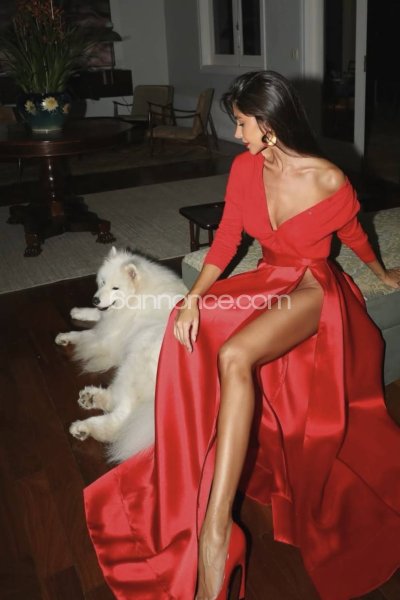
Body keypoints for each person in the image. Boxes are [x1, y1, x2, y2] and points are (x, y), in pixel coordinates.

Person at [84, 71, 400, 600]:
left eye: (242, 123)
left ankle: (215, 531)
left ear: (270, 124)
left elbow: (353, 233)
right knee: (191, 328)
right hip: (269, 279)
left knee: (235, 354)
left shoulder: (327, 179)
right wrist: (192, 298)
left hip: (313, 288)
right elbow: (228, 237)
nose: (235, 134)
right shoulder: (245, 168)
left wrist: (382, 271)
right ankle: (194, 479)